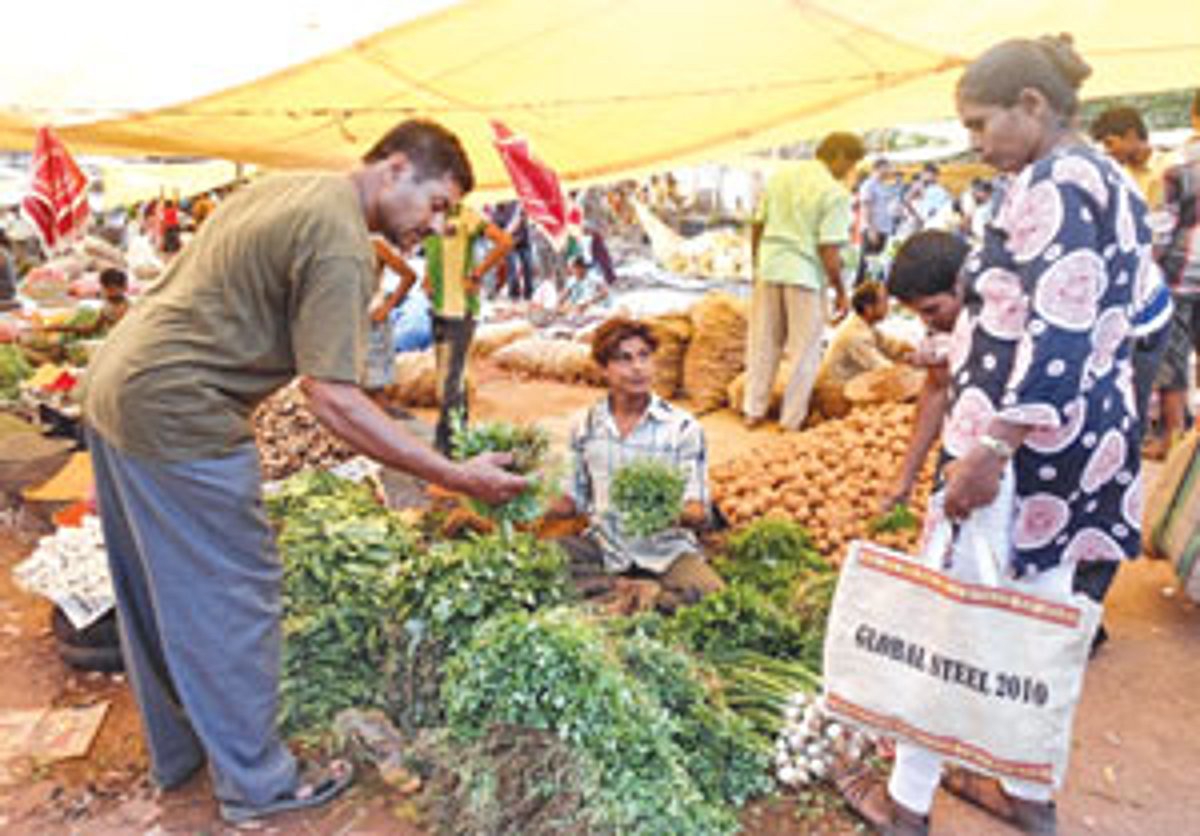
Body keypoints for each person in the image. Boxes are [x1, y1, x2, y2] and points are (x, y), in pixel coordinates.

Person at [82, 119, 528, 825]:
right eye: (437, 204)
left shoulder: (295, 187)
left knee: (158, 587)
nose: (438, 226)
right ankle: (257, 784)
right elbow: (333, 398)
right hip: (180, 406)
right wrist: (455, 474)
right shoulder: (343, 241)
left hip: (118, 379)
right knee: (234, 591)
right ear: (396, 167)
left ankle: (182, 754)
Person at [838, 37, 1153, 836]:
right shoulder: (1109, 181)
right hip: (1080, 444)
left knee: (949, 614)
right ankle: (1027, 791)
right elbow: (1126, 315)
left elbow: (1060, 330)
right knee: (1039, 622)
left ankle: (907, 807)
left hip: (1022, 450)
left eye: (982, 123)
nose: (975, 142)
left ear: (1033, 107)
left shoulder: (1056, 183)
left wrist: (993, 449)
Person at [545, 317, 724, 606]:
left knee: (712, 598)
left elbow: (699, 511)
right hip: (605, 548)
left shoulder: (682, 427)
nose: (638, 367)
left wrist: (661, 512)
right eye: (624, 359)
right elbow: (572, 501)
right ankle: (630, 591)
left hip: (666, 552)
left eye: (644, 356)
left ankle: (633, 595)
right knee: (536, 564)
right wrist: (522, 499)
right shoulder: (585, 426)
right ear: (603, 369)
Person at [743, 131, 864, 430]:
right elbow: (828, 249)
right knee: (804, 351)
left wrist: (758, 263)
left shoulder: (781, 177)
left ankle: (753, 411)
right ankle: (790, 421)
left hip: (770, 268)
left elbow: (757, 225)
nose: (848, 171)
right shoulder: (834, 193)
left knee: (763, 343)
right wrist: (840, 291)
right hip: (804, 275)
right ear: (837, 156)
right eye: (849, 163)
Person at [423, 202, 513, 453]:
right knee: (449, 381)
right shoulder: (429, 218)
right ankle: (460, 442)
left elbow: (505, 241)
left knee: (449, 384)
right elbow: (431, 254)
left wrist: (477, 273)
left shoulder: (466, 215)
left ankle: (446, 450)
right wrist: (427, 278)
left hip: (460, 310)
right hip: (438, 309)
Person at [1149, 90, 1200, 459]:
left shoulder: (1177, 165)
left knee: (1173, 361)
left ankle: (1174, 440)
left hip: (1179, 277)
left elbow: (1161, 230)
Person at [810, 280, 912, 419]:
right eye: (884, 301)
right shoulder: (856, 335)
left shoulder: (865, 325)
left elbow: (890, 344)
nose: (889, 306)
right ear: (868, 308)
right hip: (835, 394)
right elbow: (883, 370)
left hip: (845, 387)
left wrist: (909, 350)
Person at [363, 237, 420, 410]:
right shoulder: (335, 242)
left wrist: (387, 306)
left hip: (371, 319)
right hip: (346, 321)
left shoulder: (375, 243)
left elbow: (409, 276)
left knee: (375, 388)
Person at [1089, 105, 1166, 206]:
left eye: (1109, 143)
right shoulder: (1115, 177)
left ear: (1131, 135)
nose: (1107, 151)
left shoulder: (1171, 166)